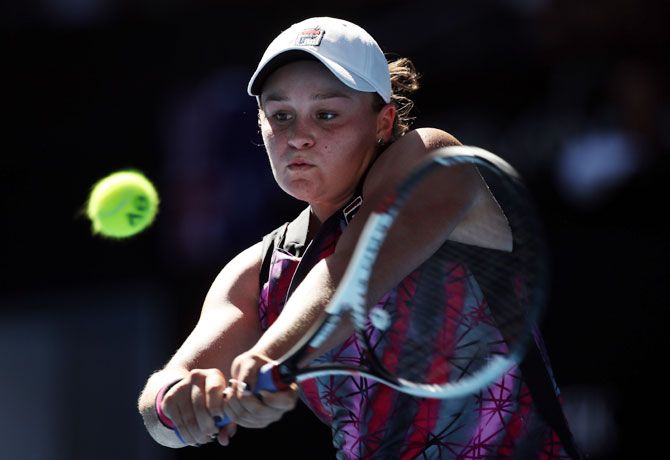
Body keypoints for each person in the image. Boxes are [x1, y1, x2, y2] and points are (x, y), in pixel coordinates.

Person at [138, 16, 579, 459]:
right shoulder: (255, 272)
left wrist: (269, 359)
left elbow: (347, 275)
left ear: (384, 122)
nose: (298, 137)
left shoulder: (432, 160)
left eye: (327, 114)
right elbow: (161, 412)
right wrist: (181, 401)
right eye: (280, 115)